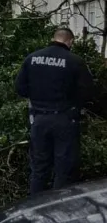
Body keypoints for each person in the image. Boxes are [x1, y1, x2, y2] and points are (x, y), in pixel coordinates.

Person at [15, 26, 95, 196]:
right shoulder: (75, 61)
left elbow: (20, 89)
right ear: (70, 41)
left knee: (39, 169)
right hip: (64, 120)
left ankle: (34, 209)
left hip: (38, 120)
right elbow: (88, 92)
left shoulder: (32, 58)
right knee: (63, 169)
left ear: (54, 38)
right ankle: (58, 210)